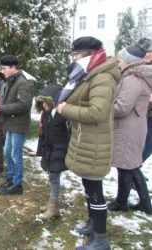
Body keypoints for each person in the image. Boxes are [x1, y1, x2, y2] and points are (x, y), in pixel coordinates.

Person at [56, 36, 120, 250]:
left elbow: (96, 112)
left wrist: (65, 109)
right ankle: (93, 225)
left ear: (88, 54)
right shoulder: (90, 74)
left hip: (95, 143)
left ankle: (101, 239)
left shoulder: (102, 78)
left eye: (76, 54)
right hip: (86, 140)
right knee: (88, 186)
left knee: (95, 190)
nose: (74, 58)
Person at [108, 38, 152, 215]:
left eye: (120, 59)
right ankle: (125, 201)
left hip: (128, 128)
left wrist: (104, 109)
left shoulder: (133, 79)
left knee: (130, 166)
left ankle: (140, 204)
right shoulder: (134, 76)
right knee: (127, 165)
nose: (118, 62)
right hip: (131, 126)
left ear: (129, 60)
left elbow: (122, 108)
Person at [0, 55, 33, 195]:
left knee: (15, 154)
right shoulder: (10, 81)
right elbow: (8, 100)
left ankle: (17, 184)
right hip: (9, 124)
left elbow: (24, 105)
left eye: (4, 68)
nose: (2, 71)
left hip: (18, 125)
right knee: (8, 152)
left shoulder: (22, 83)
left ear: (14, 67)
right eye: (1, 68)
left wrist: (1, 109)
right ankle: (11, 178)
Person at [35, 84, 69, 220]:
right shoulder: (46, 115)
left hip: (58, 152)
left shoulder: (61, 116)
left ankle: (53, 207)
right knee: (52, 178)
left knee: (54, 178)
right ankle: (52, 204)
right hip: (50, 151)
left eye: (47, 102)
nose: (44, 105)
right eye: (42, 102)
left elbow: (67, 135)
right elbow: (44, 135)